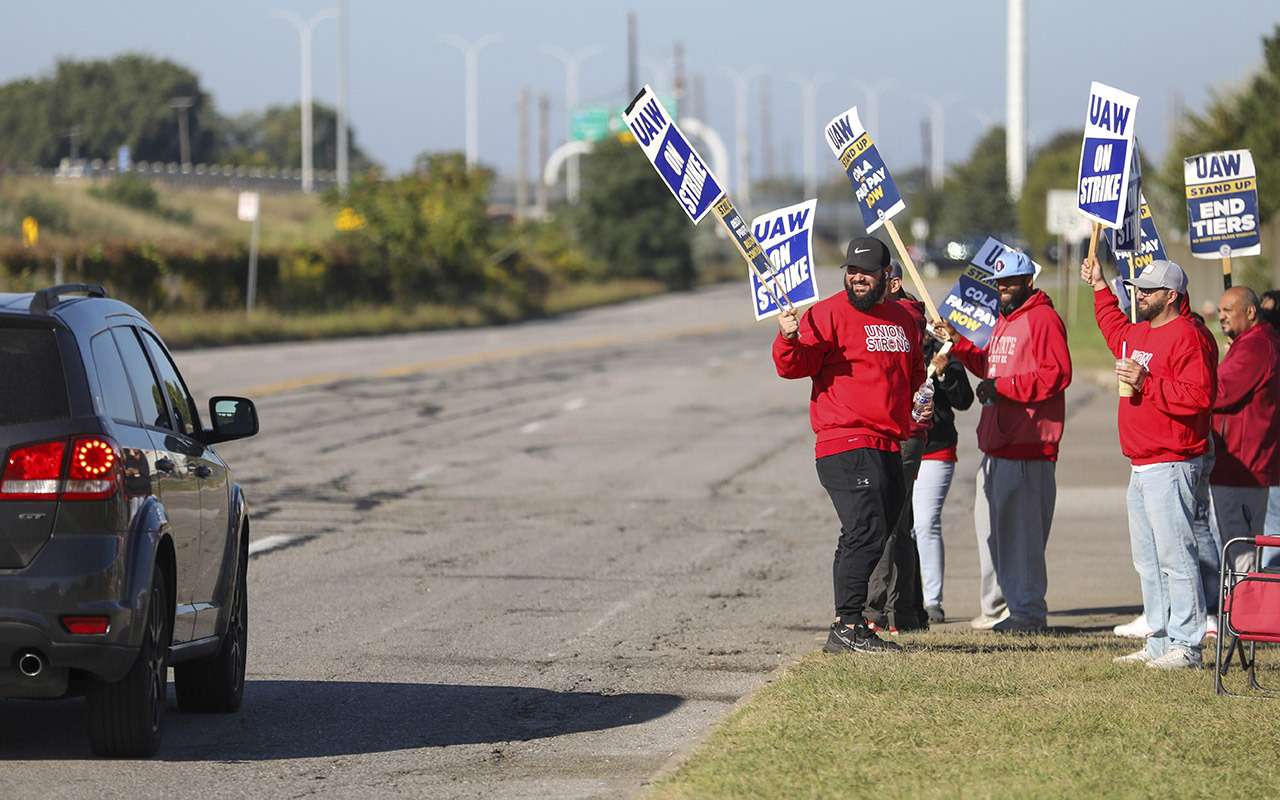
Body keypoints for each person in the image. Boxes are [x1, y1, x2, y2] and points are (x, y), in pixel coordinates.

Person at [774, 236, 930, 654]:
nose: (858, 278)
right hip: (844, 441)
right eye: (852, 271)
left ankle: (851, 625)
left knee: (875, 534)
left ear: (887, 276)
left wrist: (919, 409)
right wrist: (789, 337)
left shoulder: (902, 319)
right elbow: (794, 366)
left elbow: (913, 375)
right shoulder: (825, 314)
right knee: (863, 531)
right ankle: (847, 626)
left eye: (867, 272)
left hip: (888, 442)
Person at [1083, 257, 1216, 669]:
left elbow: (1200, 398)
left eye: (1148, 290)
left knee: (1176, 557)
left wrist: (1147, 382)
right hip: (1142, 463)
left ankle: (1187, 645)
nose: (1139, 295)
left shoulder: (1190, 336)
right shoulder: (1140, 331)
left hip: (1173, 461)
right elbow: (1112, 327)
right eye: (1137, 289)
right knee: (1149, 561)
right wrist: (1100, 286)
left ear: (1171, 295)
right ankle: (1159, 640)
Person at [935, 250, 1072, 633]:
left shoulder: (1042, 319)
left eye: (1011, 282)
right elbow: (988, 364)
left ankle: (1028, 613)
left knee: (1023, 538)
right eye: (999, 283)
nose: (1004, 289)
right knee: (996, 536)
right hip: (997, 445)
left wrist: (1005, 388)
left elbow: (1057, 374)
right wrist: (958, 343)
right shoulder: (1003, 321)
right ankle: (1006, 608)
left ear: (1029, 281)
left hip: (1029, 445)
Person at [864, 262, 930, 633]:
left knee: (886, 523)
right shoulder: (902, 313)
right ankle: (905, 611)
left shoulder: (901, 317)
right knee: (900, 523)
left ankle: (878, 611)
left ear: (894, 282)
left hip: (903, 430)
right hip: (902, 429)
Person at [1209, 287, 1280, 574]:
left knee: (1239, 551)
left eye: (1228, 310)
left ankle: (1242, 613)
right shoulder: (1252, 342)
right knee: (1241, 545)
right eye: (1220, 309)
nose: (1221, 315)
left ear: (1250, 312)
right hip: (1244, 462)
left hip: (1241, 465)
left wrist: (1184, 383)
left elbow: (1219, 392)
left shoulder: (1255, 345)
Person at [914, 329, 974, 624]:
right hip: (896, 445)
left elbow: (964, 399)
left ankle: (932, 600)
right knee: (900, 527)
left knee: (925, 523)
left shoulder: (943, 351)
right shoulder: (883, 344)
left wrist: (944, 375)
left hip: (935, 448)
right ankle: (902, 597)